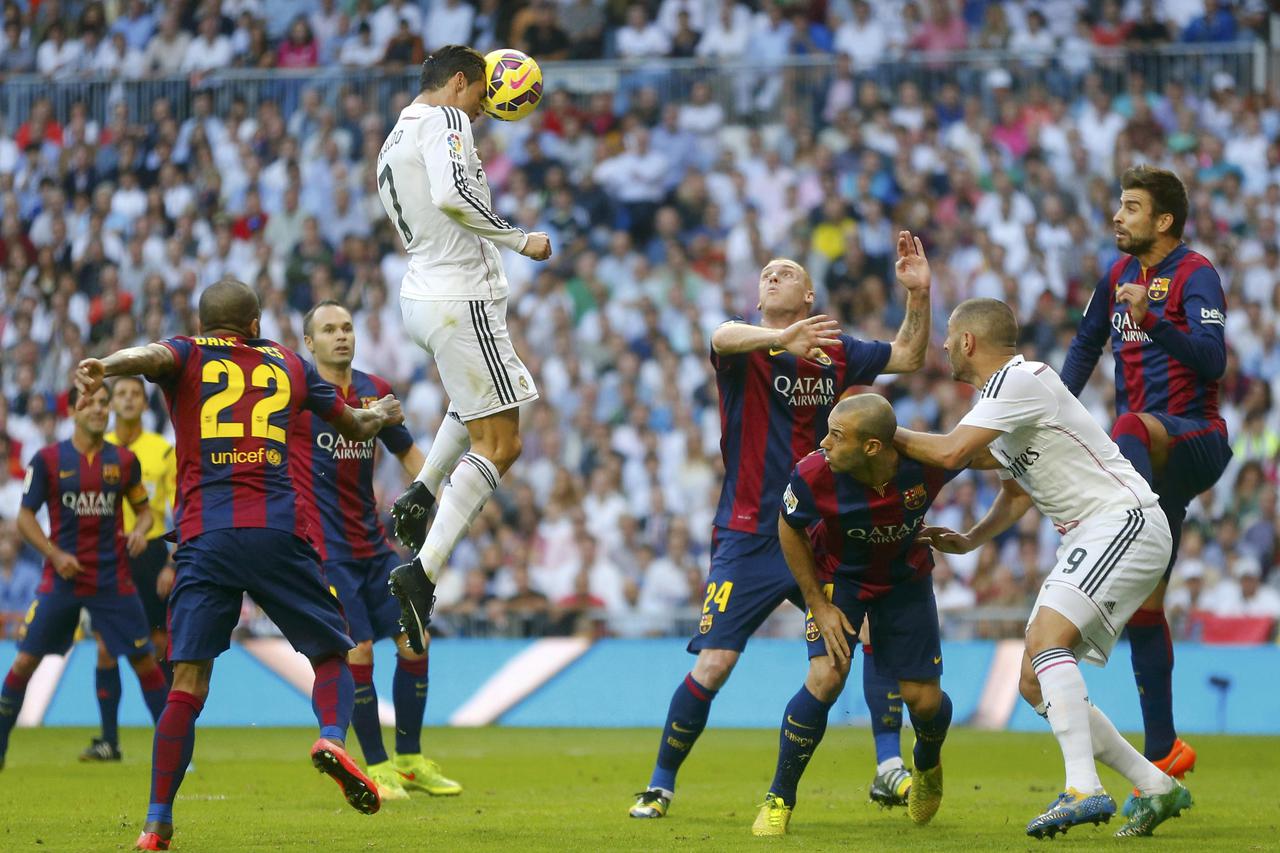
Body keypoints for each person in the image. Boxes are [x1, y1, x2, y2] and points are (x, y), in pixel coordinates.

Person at [73, 279, 404, 850]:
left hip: (206, 537)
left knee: (187, 682)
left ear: (205, 326)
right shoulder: (290, 365)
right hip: (278, 532)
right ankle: (330, 737)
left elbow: (149, 356)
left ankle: (156, 824)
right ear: (255, 324)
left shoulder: (187, 353)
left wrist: (107, 363)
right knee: (334, 652)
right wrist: (383, 416)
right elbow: (353, 424)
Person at [630, 233, 933, 820]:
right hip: (747, 533)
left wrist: (918, 296)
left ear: (809, 292)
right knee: (715, 662)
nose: (773, 276)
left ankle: (887, 765)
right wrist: (779, 338)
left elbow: (909, 356)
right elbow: (718, 334)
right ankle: (660, 784)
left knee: (861, 638)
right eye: (766, 272)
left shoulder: (838, 352)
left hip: (818, 532)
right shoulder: (747, 347)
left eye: (787, 271)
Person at [895, 298, 1192, 839]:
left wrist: (879, 427)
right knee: (1034, 677)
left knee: (1045, 638)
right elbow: (1013, 495)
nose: (940, 346)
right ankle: (1156, 786)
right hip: (1095, 532)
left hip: (1120, 519)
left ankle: (1083, 787)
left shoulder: (1021, 378)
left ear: (967, 342)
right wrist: (969, 540)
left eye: (947, 337)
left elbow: (949, 453)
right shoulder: (1000, 402)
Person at [372, 45, 554, 652]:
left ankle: (421, 491)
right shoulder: (446, 119)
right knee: (502, 443)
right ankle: (420, 575)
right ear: (458, 83)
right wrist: (517, 239)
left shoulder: (394, 137)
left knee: (476, 405)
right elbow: (452, 195)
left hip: (424, 295)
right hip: (460, 295)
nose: (480, 114)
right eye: (480, 99)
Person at [1060, 165, 1228, 792]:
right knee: (1147, 611)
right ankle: (1163, 751)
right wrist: (1047, 409)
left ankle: (1107, 522)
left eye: (1130, 207)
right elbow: (1082, 349)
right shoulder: (1117, 276)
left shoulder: (1196, 274)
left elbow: (1214, 361)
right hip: (1152, 469)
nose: (1117, 216)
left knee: (1127, 421)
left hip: (1194, 441)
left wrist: (1155, 320)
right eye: (1118, 205)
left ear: (1163, 220)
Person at [751, 394, 960, 836]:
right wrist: (818, 604)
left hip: (905, 581)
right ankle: (778, 798)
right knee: (827, 675)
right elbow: (787, 526)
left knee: (922, 701)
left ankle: (926, 762)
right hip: (839, 579)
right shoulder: (812, 473)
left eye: (836, 435)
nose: (823, 442)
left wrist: (977, 536)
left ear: (871, 447)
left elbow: (990, 452)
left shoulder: (926, 465)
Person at [301, 300, 461, 800]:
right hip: (327, 552)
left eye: (347, 326)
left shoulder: (377, 392)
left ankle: (410, 760)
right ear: (309, 344)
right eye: (328, 329)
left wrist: (448, 497)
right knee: (359, 650)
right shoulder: (299, 396)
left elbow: (407, 451)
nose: (341, 336)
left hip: (372, 544)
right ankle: (376, 764)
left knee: (415, 641)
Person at [0, 384, 169, 771]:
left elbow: (142, 509)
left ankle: (172, 751)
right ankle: (1, 745)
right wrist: (53, 554)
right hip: (61, 579)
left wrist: (143, 528)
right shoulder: (47, 460)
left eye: (102, 403)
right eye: (88, 403)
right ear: (73, 411)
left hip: (112, 579)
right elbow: (26, 516)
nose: (98, 409)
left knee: (145, 661)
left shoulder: (124, 462)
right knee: (25, 661)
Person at [80, 375, 177, 763]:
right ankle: (109, 740)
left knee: (157, 647)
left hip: (151, 556)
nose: (128, 399)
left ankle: (171, 740)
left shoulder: (162, 451)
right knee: (105, 648)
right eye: (121, 393)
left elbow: (180, 509)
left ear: (144, 401)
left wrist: (172, 561)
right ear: (111, 403)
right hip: (106, 556)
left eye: (135, 393)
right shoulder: (96, 450)